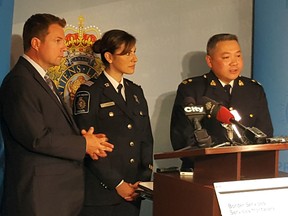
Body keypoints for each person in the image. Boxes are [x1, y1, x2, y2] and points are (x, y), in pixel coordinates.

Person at [0, 13, 114, 216]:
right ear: (36, 43)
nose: (64, 47)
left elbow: (52, 130)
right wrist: (84, 145)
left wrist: (85, 140)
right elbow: (36, 138)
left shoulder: (41, 79)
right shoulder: (20, 82)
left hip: (55, 197)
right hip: (38, 199)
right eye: (58, 40)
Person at [73, 29, 153, 216]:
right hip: (102, 193)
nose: (135, 58)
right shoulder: (90, 92)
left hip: (133, 191)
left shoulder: (136, 92)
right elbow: (87, 145)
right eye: (127, 53)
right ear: (109, 56)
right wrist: (117, 183)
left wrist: (141, 182)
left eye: (134, 52)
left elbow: (146, 139)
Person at [170, 33, 273, 168]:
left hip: (246, 169)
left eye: (238, 55)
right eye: (226, 57)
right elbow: (183, 139)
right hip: (204, 170)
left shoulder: (253, 89)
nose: (234, 62)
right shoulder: (192, 89)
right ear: (209, 61)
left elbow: (264, 133)